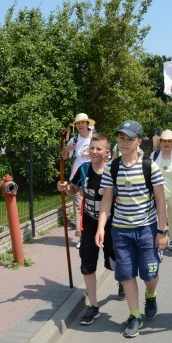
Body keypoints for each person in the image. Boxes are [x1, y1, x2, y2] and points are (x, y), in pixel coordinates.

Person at [96, 120, 168, 339]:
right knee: (127, 274)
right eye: (121, 138)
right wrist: (101, 227)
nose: (124, 142)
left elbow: (160, 199)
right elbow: (107, 199)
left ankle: (151, 293)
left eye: (129, 139)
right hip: (121, 230)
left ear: (139, 141)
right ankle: (134, 315)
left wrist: (162, 231)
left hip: (146, 229)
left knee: (150, 274)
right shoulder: (112, 167)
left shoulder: (149, 166)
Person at [57, 133, 122, 325]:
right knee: (87, 265)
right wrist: (65, 188)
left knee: (114, 263)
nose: (93, 151)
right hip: (90, 223)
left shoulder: (113, 172)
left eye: (98, 148)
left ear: (107, 153)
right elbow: (75, 190)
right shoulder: (84, 169)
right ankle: (93, 306)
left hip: (112, 224)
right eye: (91, 148)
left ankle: (122, 281)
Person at [61, 113, 96, 249]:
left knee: (94, 206)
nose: (81, 125)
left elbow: (106, 156)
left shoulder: (95, 138)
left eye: (83, 122)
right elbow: (64, 158)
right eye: (78, 123)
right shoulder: (74, 140)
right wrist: (67, 149)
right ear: (76, 126)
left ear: (87, 124)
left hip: (93, 177)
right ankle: (81, 236)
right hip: (77, 178)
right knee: (78, 207)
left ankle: (95, 233)